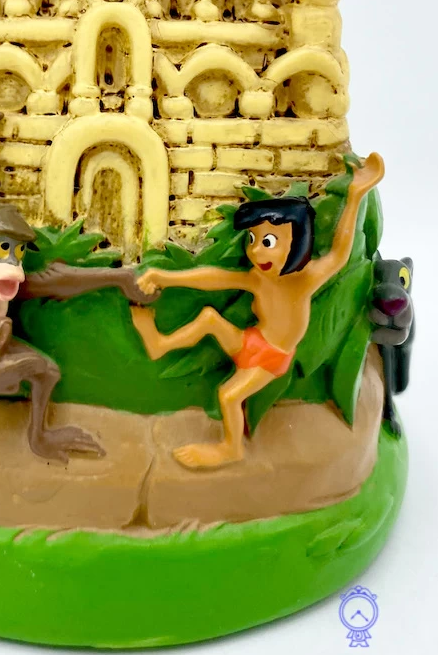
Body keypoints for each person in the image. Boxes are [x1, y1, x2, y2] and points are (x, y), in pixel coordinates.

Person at [131, 153, 385, 468]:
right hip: (251, 342)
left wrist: (355, 195)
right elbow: (213, 278)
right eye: (252, 240)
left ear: (296, 240)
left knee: (229, 396)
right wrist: (165, 277)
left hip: (272, 357)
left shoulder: (301, 282)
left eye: (267, 241)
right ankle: (161, 344)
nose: (255, 250)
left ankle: (231, 448)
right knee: (209, 318)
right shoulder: (258, 279)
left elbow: (339, 255)